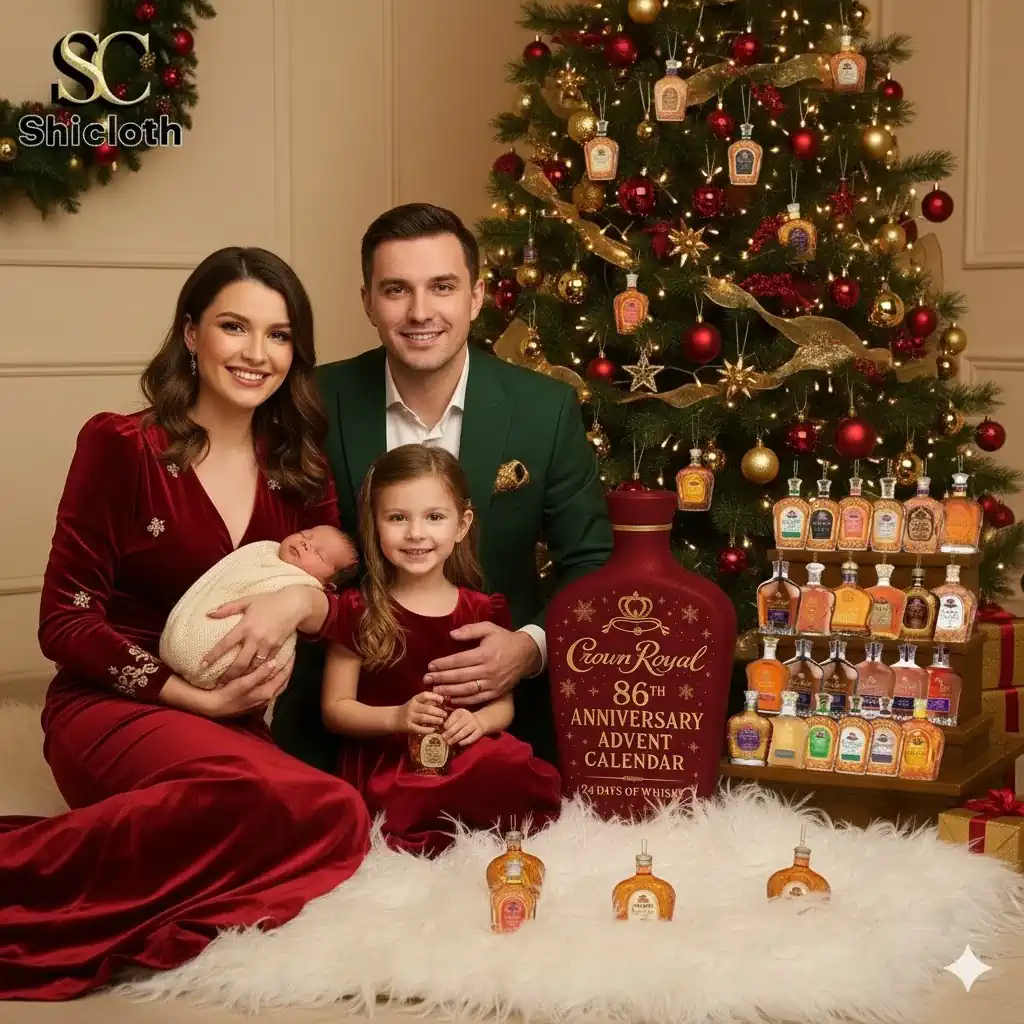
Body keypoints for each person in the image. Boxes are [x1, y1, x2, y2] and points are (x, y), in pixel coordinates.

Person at [0, 247, 372, 1001]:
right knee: (293, 807)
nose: (255, 353)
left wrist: (302, 602)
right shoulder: (121, 446)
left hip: (240, 724)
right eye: (235, 326)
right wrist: (187, 695)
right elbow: (62, 620)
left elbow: (360, 618)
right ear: (191, 332)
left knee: (335, 815)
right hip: (118, 706)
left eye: (278, 335)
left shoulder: (297, 465)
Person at [273, 203, 614, 772]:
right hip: (341, 726)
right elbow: (281, 542)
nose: (420, 312)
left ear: (475, 297)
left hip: (501, 720)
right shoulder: (316, 400)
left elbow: (591, 560)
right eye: (396, 290)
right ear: (367, 302)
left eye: (443, 286)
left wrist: (528, 649)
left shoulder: (543, 409)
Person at [320, 443, 562, 856]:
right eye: (398, 518)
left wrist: (479, 723)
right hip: (391, 755)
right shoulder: (358, 609)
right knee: (402, 795)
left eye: (434, 517)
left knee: (502, 764)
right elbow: (336, 708)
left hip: (464, 748)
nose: (416, 533)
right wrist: (396, 717)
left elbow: (503, 706)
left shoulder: (482, 610)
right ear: (374, 524)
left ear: (462, 524)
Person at [160, 525, 357, 688]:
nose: (306, 543)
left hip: (230, 659)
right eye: (305, 535)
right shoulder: (262, 552)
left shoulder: (303, 586)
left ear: (328, 586)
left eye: (318, 553)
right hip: (187, 633)